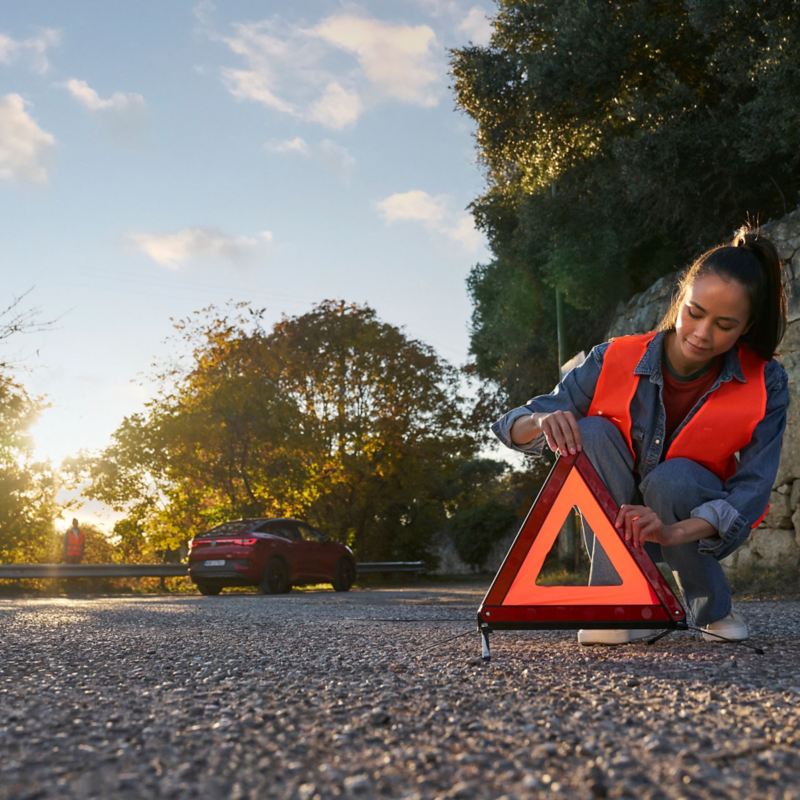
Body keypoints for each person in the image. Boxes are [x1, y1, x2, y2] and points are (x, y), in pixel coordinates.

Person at [492, 226, 788, 645]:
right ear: (680, 298)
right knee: (589, 432)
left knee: (674, 478)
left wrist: (672, 532)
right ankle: (618, 602)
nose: (702, 334)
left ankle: (711, 609)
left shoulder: (767, 381)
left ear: (746, 326)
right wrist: (541, 423)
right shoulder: (612, 356)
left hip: (693, 525)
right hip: (614, 519)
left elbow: (752, 489)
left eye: (724, 325)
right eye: (695, 312)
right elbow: (512, 424)